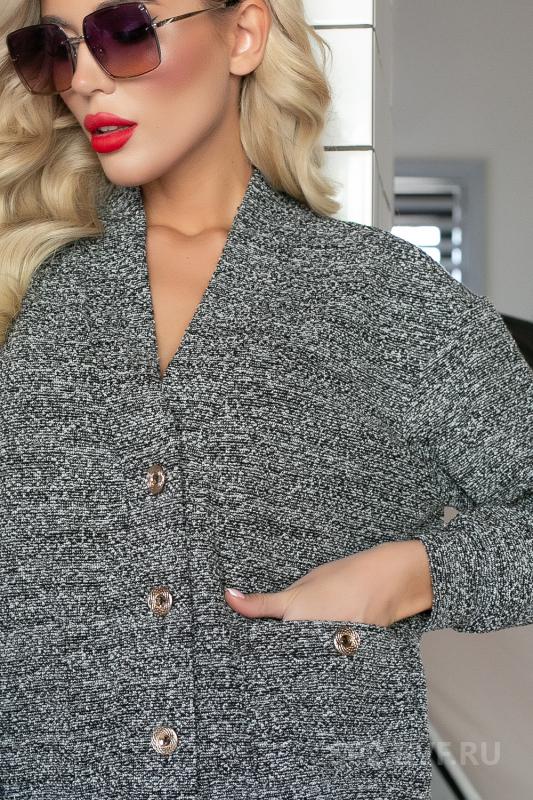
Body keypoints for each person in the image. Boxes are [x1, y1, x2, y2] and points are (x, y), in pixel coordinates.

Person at [0, 1, 531, 798]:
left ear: (242, 35)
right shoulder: (20, 291)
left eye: (124, 33)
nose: (84, 79)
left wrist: (415, 572)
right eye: (55, 48)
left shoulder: (381, 295)